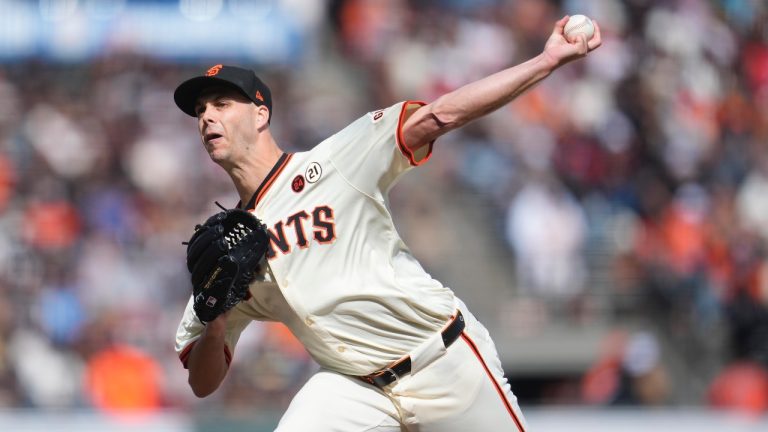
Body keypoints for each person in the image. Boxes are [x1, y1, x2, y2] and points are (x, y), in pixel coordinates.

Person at [173, 16, 601, 431]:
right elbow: (202, 382)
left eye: (222, 104)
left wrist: (545, 62)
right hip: (353, 388)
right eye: (200, 109)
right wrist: (215, 318)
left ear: (261, 115)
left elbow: (439, 116)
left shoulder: (336, 162)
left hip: (440, 359)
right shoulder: (226, 250)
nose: (207, 116)